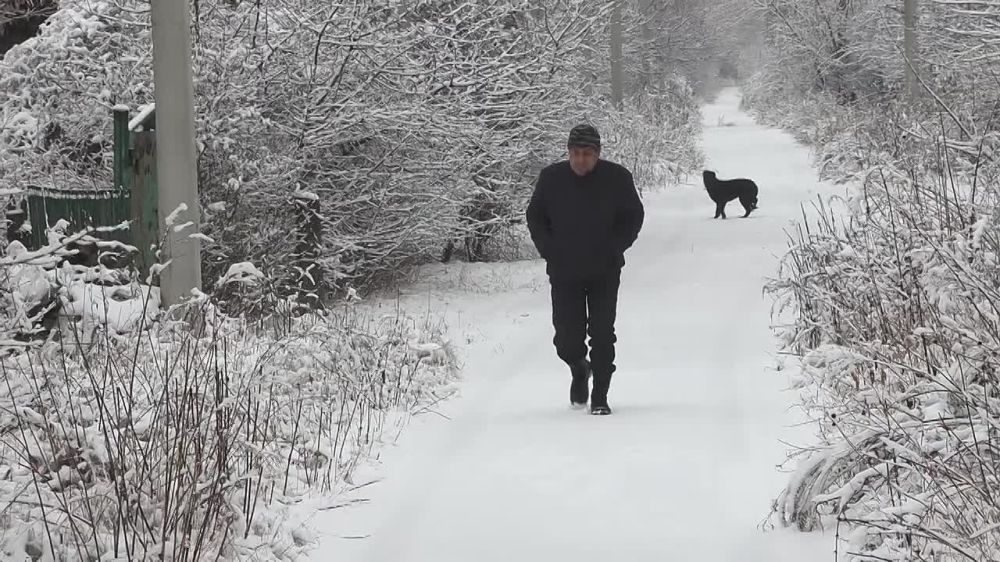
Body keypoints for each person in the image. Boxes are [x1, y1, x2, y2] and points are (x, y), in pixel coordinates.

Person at [526, 124, 644, 415]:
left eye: (587, 154)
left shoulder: (617, 178)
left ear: (597, 154)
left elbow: (633, 216)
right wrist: (550, 250)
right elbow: (536, 217)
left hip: (604, 270)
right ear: (568, 153)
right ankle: (580, 368)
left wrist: (615, 247)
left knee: (603, 333)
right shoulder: (551, 179)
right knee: (566, 338)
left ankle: (600, 395)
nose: (581, 160)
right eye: (575, 154)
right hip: (564, 271)